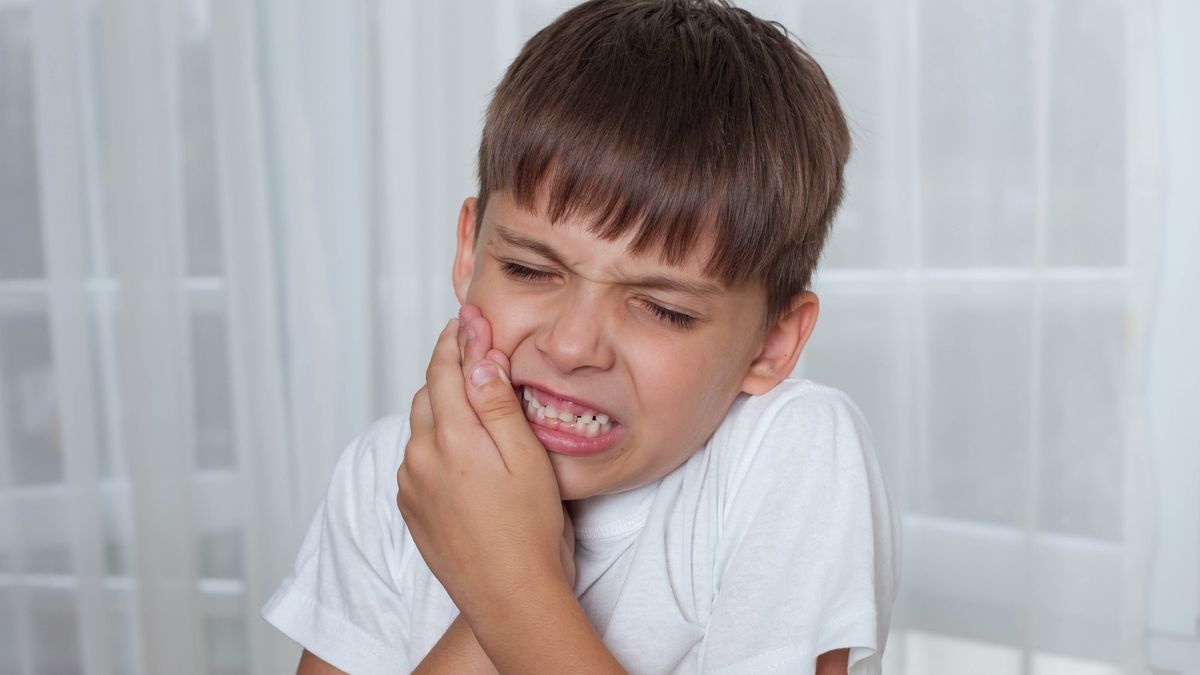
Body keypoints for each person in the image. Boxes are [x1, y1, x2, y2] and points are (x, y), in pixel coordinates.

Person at [262, 0, 900, 672]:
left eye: (663, 309)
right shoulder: (396, 473)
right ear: (468, 251)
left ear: (772, 343)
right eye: (530, 269)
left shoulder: (786, 452)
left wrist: (510, 581)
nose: (570, 346)